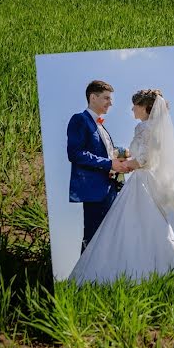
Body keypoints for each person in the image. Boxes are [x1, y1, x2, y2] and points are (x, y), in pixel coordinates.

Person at [69, 89, 174, 284]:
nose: (132, 108)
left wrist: (125, 165)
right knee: (147, 227)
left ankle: (123, 273)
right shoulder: (154, 128)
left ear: (145, 108)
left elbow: (145, 158)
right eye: (106, 98)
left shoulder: (143, 128)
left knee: (132, 227)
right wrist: (123, 160)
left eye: (135, 105)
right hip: (146, 178)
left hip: (141, 180)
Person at [66, 80, 133, 253]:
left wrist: (122, 153)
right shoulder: (80, 119)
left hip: (111, 189)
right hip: (94, 190)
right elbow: (75, 153)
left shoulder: (100, 125)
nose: (111, 103)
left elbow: (105, 151)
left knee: (110, 237)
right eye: (106, 98)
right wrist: (110, 163)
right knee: (93, 237)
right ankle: (84, 278)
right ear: (93, 97)